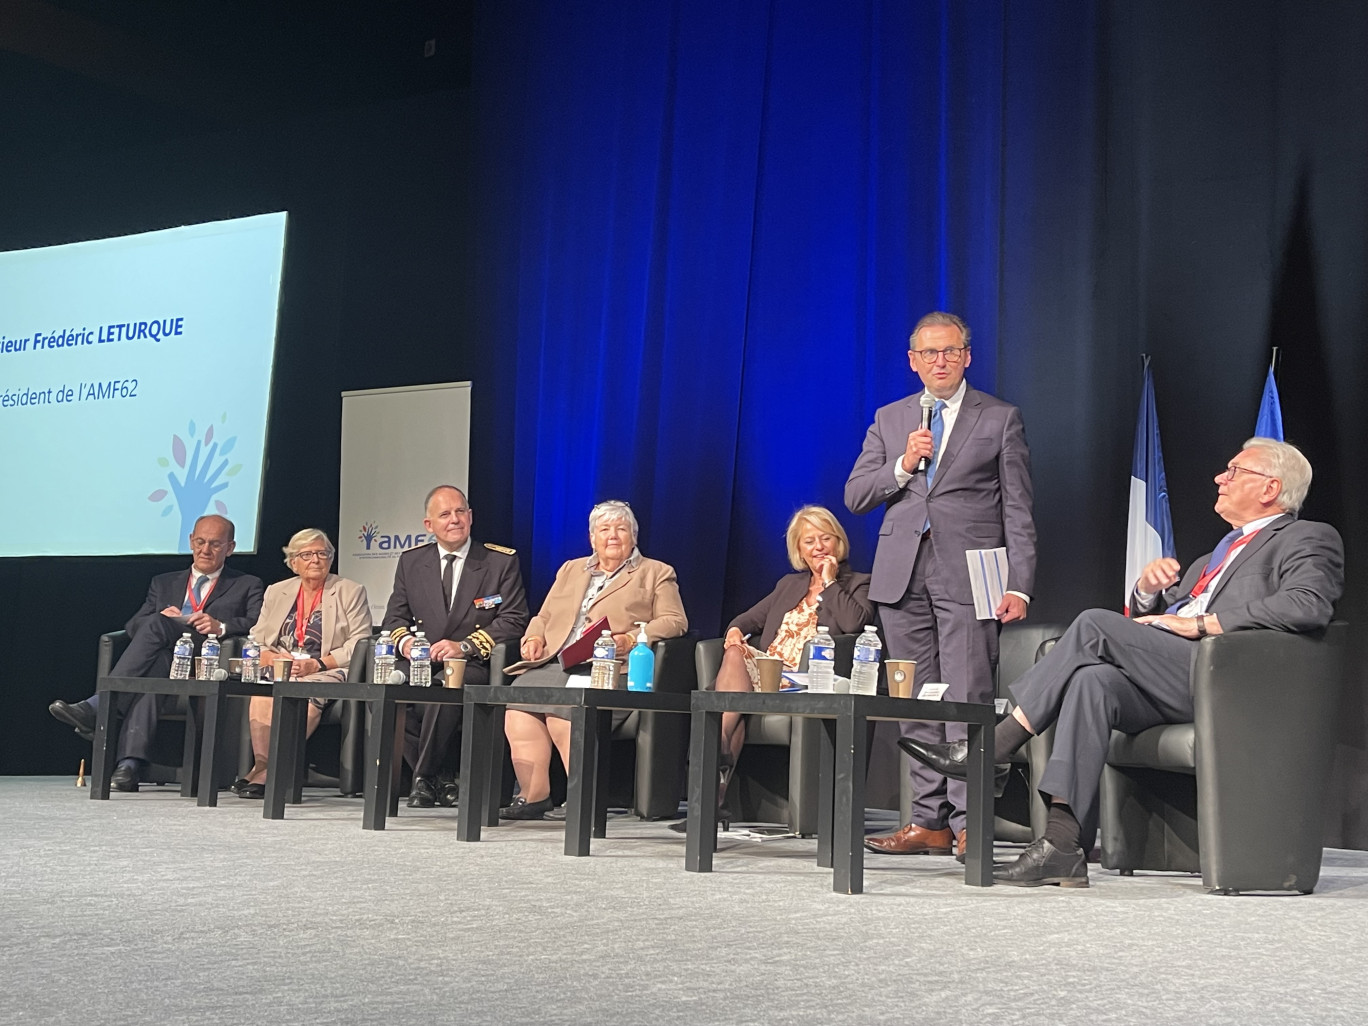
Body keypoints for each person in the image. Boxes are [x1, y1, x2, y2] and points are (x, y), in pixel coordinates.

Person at [902, 438, 1344, 886]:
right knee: (1092, 681)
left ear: (1270, 488)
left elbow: (1307, 605)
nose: (1219, 478)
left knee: (1095, 623)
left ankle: (995, 745)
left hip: (1229, 681)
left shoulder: (1308, 537)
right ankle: (1063, 843)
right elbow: (1167, 612)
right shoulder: (1214, 557)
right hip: (1184, 676)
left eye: (1234, 471)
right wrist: (1148, 593)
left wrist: (1205, 624)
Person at [845, 311, 1037, 861]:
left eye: (950, 352)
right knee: (915, 701)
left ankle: (969, 821)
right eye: (929, 354)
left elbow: (1018, 508)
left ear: (967, 356)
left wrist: (1019, 584)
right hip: (902, 575)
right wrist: (903, 465)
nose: (940, 362)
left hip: (972, 573)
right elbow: (856, 494)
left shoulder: (999, 418)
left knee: (968, 694)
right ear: (913, 361)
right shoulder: (891, 418)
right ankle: (927, 821)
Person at [47, 514, 265, 792]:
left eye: (214, 544)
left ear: (230, 548)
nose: (205, 550)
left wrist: (219, 625)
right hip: (161, 658)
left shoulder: (247, 584)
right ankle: (129, 765)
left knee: (155, 640)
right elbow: (133, 625)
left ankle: (102, 704)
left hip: (204, 661)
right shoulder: (164, 583)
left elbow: (257, 623)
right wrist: (163, 618)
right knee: (152, 670)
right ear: (190, 541)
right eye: (199, 542)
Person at [502, 500, 688, 820]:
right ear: (592, 538)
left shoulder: (656, 572)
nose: (612, 535)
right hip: (555, 662)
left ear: (634, 536)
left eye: (621, 529)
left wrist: (631, 638)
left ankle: (581, 798)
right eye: (604, 529)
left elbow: (675, 620)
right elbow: (544, 615)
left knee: (566, 708)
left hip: (609, 668)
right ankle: (533, 795)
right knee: (518, 703)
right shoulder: (571, 569)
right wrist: (533, 638)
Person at [705, 506, 872, 822]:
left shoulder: (858, 583)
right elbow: (745, 619)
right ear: (799, 550)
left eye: (826, 538)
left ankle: (717, 747)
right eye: (809, 541)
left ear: (839, 542)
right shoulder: (788, 585)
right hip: (766, 675)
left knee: (728, 710)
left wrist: (830, 584)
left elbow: (854, 623)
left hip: (807, 679)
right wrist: (735, 632)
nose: (819, 547)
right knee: (733, 653)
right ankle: (716, 800)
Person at [381, 485, 530, 808]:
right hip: (420, 660)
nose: (454, 520)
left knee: (445, 686)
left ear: (471, 517)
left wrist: (463, 647)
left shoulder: (498, 562)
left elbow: (514, 619)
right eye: (445, 514)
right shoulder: (411, 562)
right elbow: (394, 617)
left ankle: (422, 778)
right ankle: (441, 777)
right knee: (383, 692)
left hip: (473, 663)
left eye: (460, 512)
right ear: (428, 525)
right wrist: (406, 643)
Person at [234, 529, 373, 799]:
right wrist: (272, 658)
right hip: (281, 668)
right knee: (262, 688)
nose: (316, 560)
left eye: (322, 554)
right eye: (306, 555)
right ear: (293, 562)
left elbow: (360, 642)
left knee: (305, 690)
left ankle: (270, 771)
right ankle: (265, 766)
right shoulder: (277, 591)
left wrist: (317, 664)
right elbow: (258, 639)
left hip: (328, 669)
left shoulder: (349, 591)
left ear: (330, 559)